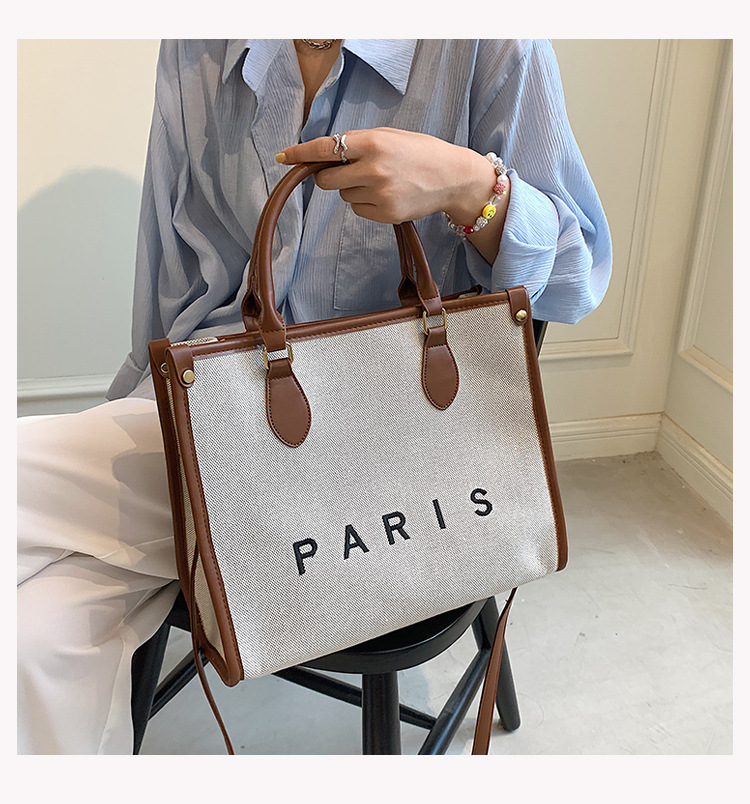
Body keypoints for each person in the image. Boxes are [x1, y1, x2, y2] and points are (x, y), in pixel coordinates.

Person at [17, 38, 612, 754]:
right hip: (214, 409)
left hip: (398, 441)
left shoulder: (488, 41)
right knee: (33, 638)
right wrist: (148, 413)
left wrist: (468, 186)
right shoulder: (197, 44)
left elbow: (578, 275)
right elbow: (169, 277)